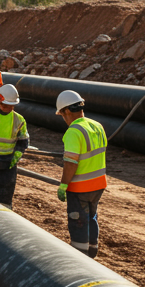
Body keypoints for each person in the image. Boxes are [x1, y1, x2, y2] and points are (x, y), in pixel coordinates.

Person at [55, 90, 108, 258]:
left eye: (62, 114)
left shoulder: (73, 131)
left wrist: (64, 185)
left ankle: (79, 258)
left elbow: (71, 163)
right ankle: (92, 252)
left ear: (67, 111)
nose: (63, 118)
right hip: (98, 185)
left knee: (78, 220)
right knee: (91, 217)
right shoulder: (96, 126)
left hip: (80, 188)